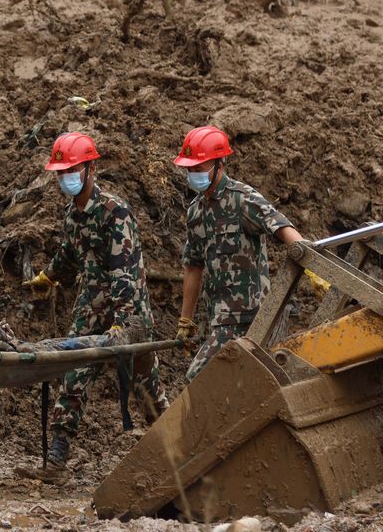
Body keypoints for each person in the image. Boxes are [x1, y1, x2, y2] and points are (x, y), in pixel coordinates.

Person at [22, 132, 169, 484]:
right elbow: (70, 256)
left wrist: (123, 325)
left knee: (146, 387)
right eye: (60, 173)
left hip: (128, 313)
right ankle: (56, 461)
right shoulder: (73, 216)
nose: (65, 178)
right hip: (90, 311)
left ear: (90, 169)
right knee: (73, 377)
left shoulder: (114, 212)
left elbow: (125, 272)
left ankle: (175, 453)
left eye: (71, 170)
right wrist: (49, 276)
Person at [172, 126, 305, 382]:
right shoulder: (195, 212)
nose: (193, 174)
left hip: (252, 318)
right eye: (189, 169)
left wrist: (311, 261)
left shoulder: (242, 200)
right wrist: (185, 321)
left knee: (199, 379)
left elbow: (281, 226)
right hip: (220, 319)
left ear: (219, 164)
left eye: (199, 168)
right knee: (238, 385)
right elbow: (193, 266)